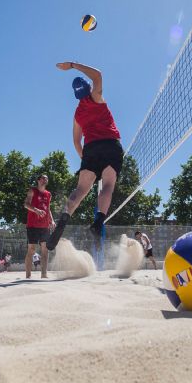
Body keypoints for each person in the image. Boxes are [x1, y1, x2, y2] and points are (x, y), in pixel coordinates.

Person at [47, 61, 124, 250]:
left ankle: (64, 218)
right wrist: (72, 65)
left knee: (81, 190)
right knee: (107, 185)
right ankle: (98, 222)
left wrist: (86, 160)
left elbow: (75, 141)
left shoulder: (77, 115)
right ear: (88, 88)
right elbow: (98, 74)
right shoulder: (96, 97)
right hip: (110, 145)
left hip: (90, 149)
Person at [23, 174, 55, 278]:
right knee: (32, 249)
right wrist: (36, 210)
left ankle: (44, 275)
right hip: (32, 225)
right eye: (43, 178)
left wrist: (52, 220)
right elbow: (26, 204)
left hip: (44, 225)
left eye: (47, 178)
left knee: (45, 250)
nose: (45, 180)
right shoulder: (32, 190)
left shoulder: (48, 194)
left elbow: (48, 209)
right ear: (38, 180)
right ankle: (28, 275)